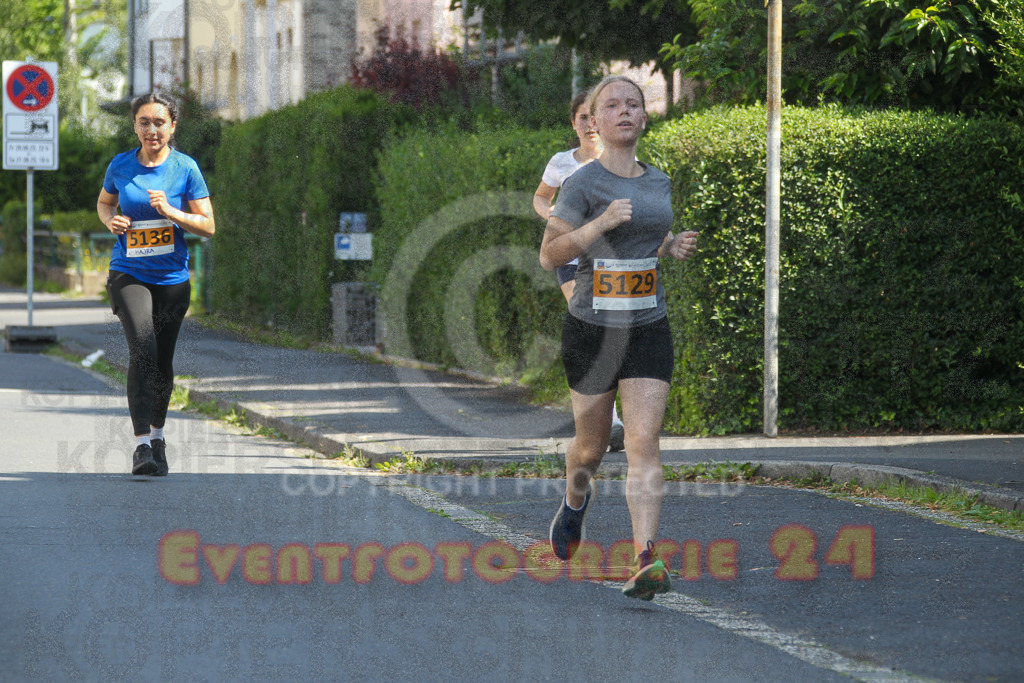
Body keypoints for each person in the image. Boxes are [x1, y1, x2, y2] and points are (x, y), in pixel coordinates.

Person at [539, 75, 699, 600]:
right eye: (613, 105)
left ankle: (646, 558)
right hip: (591, 330)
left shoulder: (660, 181)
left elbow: (644, 242)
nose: (625, 111)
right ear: (596, 122)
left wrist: (668, 248)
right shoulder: (581, 185)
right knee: (590, 448)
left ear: (644, 118)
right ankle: (575, 500)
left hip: (648, 324)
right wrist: (599, 222)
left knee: (642, 441)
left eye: (634, 103)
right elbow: (551, 255)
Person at [96, 92, 215, 476]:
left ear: (172, 126)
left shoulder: (186, 168)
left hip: (172, 278)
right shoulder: (121, 165)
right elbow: (104, 203)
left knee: (163, 360)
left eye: (159, 122)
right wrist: (110, 221)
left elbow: (209, 226)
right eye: (144, 122)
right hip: (129, 271)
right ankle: (141, 446)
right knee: (143, 347)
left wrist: (171, 212)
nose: (152, 129)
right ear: (134, 126)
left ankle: (159, 436)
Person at [533, 90, 626, 453]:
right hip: (572, 260)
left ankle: (608, 416)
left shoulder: (620, 161)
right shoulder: (561, 162)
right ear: (574, 123)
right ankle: (609, 421)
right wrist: (555, 217)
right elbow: (541, 198)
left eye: (594, 116)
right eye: (581, 118)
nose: (589, 124)